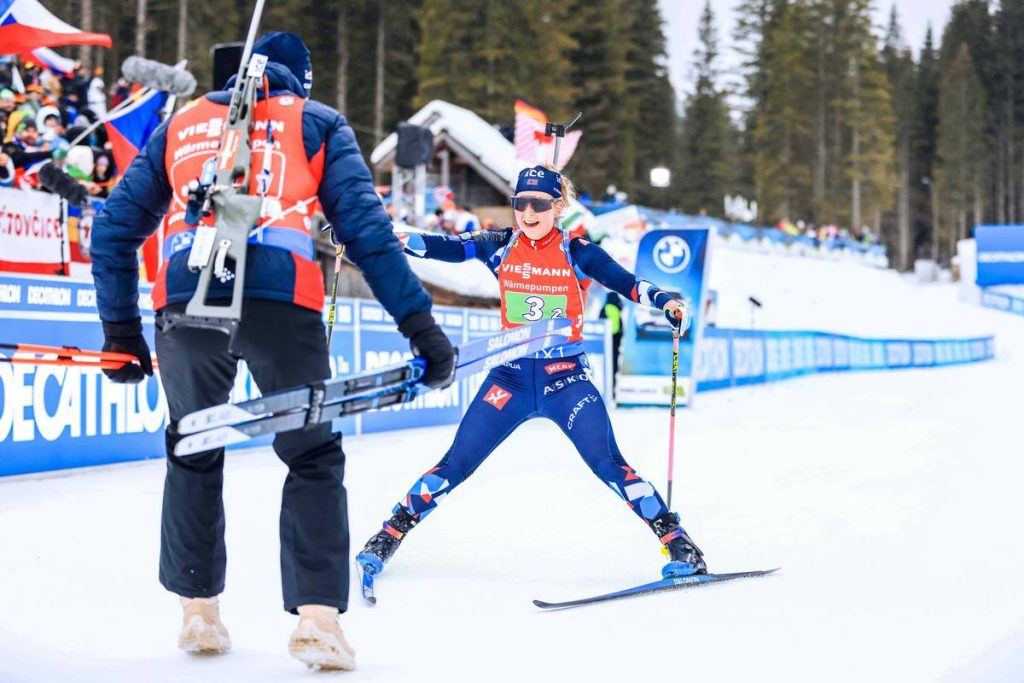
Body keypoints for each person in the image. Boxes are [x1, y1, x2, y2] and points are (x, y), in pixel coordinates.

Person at [89, 31, 455, 671]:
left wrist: (120, 333)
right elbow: (367, 232)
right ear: (298, 80)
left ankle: (198, 611)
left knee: (192, 446)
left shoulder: (181, 125)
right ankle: (316, 620)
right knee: (312, 455)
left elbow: (114, 229)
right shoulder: (317, 122)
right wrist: (420, 328)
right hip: (279, 300)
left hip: (184, 301)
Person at [356, 165, 706, 583]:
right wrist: (374, 235)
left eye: (539, 203)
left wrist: (665, 300)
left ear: (557, 207)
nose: (528, 211)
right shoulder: (499, 245)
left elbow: (626, 283)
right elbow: (438, 246)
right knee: (456, 464)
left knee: (609, 464)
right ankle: (387, 536)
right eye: (520, 202)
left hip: (566, 380)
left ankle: (681, 544)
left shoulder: (578, 252)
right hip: (511, 380)